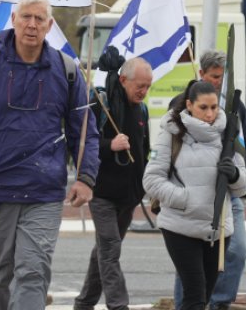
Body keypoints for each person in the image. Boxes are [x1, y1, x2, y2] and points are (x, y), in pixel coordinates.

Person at [0, 0, 100, 309]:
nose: (32, 24)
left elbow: (84, 129)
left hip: (44, 190)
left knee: (33, 271)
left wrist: (85, 177)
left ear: (49, 25)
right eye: (26, 16)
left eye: (40, 18)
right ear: (14, 20)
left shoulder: (67, 70)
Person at [144, 80, 246, 310]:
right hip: (180, 227)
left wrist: (234, 175)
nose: (210, 114)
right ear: (189, 105)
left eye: (214, 107)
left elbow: (242, 188)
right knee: (195, 295)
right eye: (203, 107)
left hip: (218, 229)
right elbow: (151, 180)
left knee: (203, 297)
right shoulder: (171, 132)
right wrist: (185, 199)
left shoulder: (228, 133)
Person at [169, 50, 246, 310]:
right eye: (215, 76)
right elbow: (170, 147)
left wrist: (237, 172)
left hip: (227, 194)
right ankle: (186, 304)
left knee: (238, 250)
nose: (219, 82)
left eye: (222, 76)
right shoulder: (180, 103)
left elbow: (244, 144)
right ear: (201, 74)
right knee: (190, 262)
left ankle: (219, 303)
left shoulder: (235, 106)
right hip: (193, 196)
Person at [74, 51, 153, 310]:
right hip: (102, 193)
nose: (144, 91)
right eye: (140, 86)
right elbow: (82, 145)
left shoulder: (142, 110)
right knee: (110, 249)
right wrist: (110, 145)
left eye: (148, 86)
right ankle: (119, 306)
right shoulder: (100, 104)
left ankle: (83, 304)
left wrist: (147, 187)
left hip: (129, 196)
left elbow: (144, 151)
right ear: (123, 80)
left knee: (103, 251)